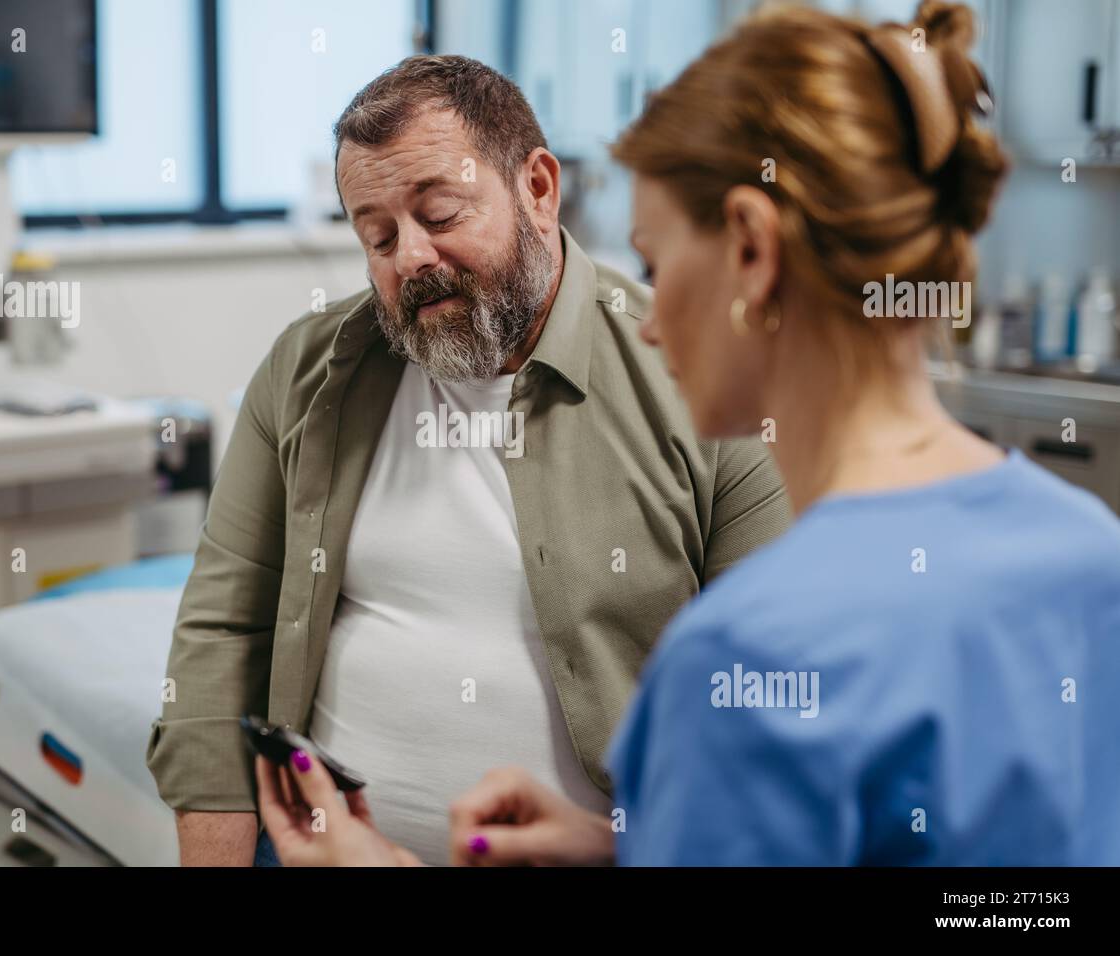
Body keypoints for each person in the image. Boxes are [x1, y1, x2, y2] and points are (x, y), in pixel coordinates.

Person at [257, 1, 1120, 867]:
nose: (652, 322)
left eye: (661, 267)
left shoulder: (741, 657)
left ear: (751, 250)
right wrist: (620, 849)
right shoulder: (1088, 550)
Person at [146, 55, 790, 866]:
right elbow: (224, 629)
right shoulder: (310, 372)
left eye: (441, 213)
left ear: (540, 190)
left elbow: (771, 714)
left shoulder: (699, 382)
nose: (409, 256)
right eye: (376, 236)